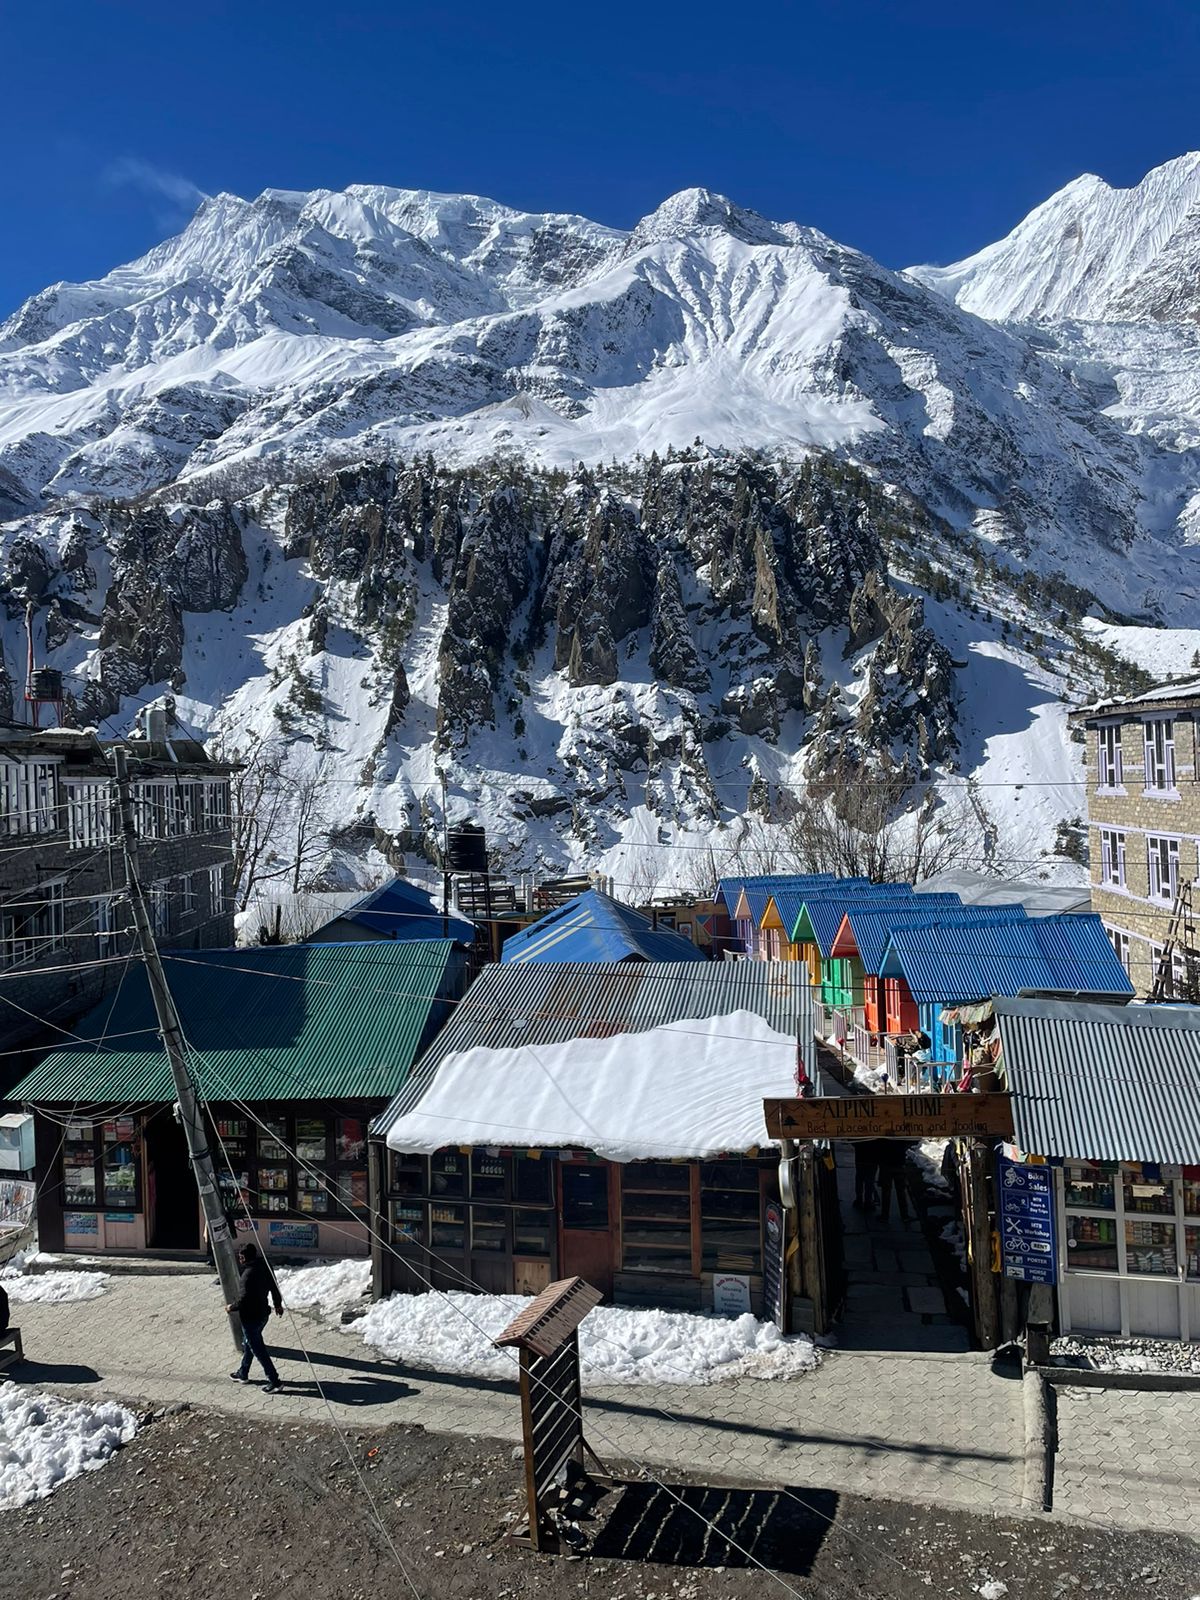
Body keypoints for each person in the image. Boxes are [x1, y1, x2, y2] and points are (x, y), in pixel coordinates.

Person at [228, 1241, 284, 1392]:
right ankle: (243, 1373)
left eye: (241, 1257)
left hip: (251, 1318)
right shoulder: (264, 1265)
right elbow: (274, 1286)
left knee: (258, 1350)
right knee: (249, 1343)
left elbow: (243, 1300)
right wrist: (277, 1304)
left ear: (247, 1258)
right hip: (263, 1314)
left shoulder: (247, 1276)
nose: (239, 1260)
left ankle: (275, 1381)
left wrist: (231, 1307)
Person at [876, 1140, 913, 1223]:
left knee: (886, 1191)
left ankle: (885, 1215)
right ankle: (904, 1215)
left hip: (886, 1165)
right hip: (899, 1163)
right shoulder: (900, 1136)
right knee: (901, 1191)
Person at [852, 1141, 878, 1211]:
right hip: (872, 1158)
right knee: (870, 1180)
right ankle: (868, 1201)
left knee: (859, 1179)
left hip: (860, 1156)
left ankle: (859, 1198)